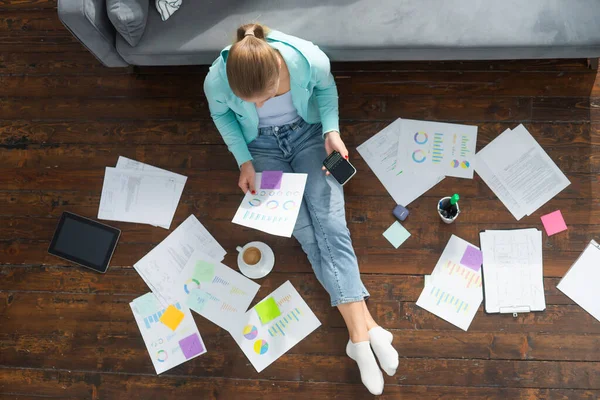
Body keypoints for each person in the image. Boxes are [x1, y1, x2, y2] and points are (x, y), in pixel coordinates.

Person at [204, 23, 398, 395]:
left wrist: (331, 130)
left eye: (265, 97)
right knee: (308, 235)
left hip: (307, 134)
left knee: (331, 226)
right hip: (261, 147)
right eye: (253, 103)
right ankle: (367, 329)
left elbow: (326, 91)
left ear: (280, 71)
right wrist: (244, 161)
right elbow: (222, 117)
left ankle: (358, 340)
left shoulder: (308, 59)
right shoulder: (216, 80)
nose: (260, 106)